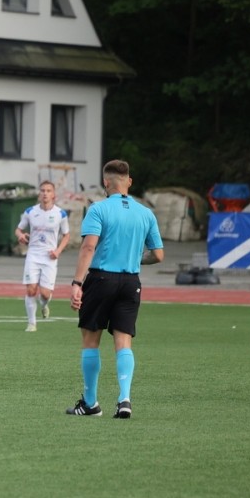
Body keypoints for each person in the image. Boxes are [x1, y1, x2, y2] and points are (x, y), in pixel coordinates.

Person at [67, 159, 164, 419]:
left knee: (91, 340)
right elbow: (158, 255)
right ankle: (124, 399)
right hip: (131, 282)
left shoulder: (98, 209)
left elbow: (89, 247)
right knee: (123, 341)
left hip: (100, 279)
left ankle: (90, 404)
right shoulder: (146, 213)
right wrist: (134, 258)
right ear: (129, 181)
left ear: (105, 182)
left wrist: (77, 283)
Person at [16, 180, 70, 331]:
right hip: (33, 254)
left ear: (53, 195)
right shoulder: (30, 212)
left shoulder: (60, 214)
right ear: (39, 194)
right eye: (42, 190)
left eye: (48, 191)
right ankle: (31, 323)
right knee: (31, 290)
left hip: (50, 257)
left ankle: (44, 305)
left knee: (45, 294)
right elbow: (18, 230)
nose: (45, 193)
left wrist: (58, 251)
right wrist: (20, 236)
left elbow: (66, 235)